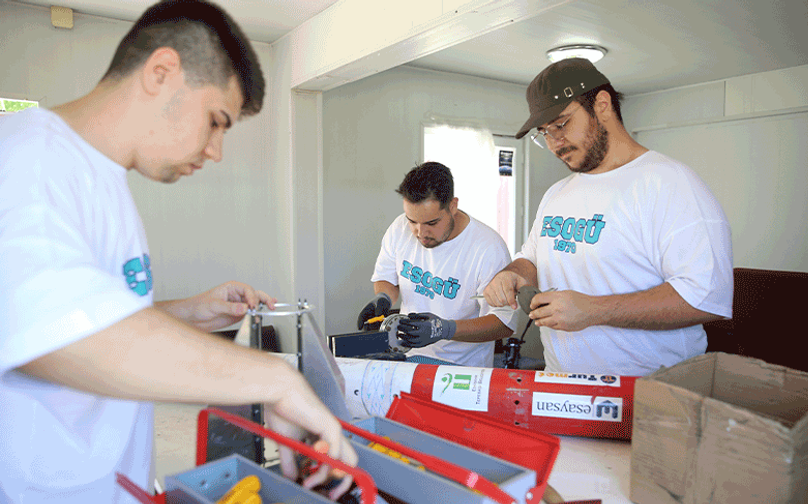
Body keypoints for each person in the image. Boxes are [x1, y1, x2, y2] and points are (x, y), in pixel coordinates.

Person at [0, 1, 355, 502]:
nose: (216, 151)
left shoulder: (98, 178)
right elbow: (55, 336)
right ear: (161, 72)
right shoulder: (26, 162)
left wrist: (188, 312)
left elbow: (81, 307)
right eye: (216, 121)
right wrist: (273, 380)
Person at [482, 58, 733, 376]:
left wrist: (594, 310)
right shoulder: (557, 194)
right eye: (544, 133)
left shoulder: (670, 184)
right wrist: (513, 273)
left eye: (561, 124)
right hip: (562, 386)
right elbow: (530, 259)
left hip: (649, 395)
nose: (554, 143)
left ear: (602, 105)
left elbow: (707, 298)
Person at [358, 161, 517, 367]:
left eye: (431, 223)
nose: (420, 233)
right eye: (412, 221)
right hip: (405, 359)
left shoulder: (488, 248)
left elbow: (504, 324)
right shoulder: (399, 228)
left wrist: (445, 329)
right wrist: (384, 298)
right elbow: (386, 278)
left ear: (453, 206)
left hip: (462, 369)